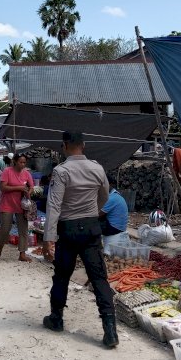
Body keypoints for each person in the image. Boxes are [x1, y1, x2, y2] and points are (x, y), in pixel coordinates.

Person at [42, 131, 118, 348]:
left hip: (69, 230)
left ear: (65, 146)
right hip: (92, 227)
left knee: (62, 276)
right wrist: (92, 209)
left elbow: (54, 205)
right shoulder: (97, 168)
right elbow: (104, 196)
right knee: (99, 278)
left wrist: (48, 238)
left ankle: (56, 319)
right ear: (83, 145)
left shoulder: (61, 171)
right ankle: (110, 331)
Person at [0, 153, 34, 262]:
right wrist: (20, 188)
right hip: (7, 204)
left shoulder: (26, 173)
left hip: (21, 205)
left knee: (23, 229)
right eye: (21, 162)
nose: (23, 164)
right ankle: (0, 247)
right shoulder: (7, 171)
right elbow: (3, 188)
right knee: (5, 228)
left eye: (24, 162)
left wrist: (28, 192)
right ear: (15, 161)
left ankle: (22, 253)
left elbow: (31, 187)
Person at [99, 187, 129, 255]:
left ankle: (95, 249)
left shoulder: (111, 198)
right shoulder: (116, 196)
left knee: (90, 223)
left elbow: (97, 214)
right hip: (119, 228)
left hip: (114, 229)